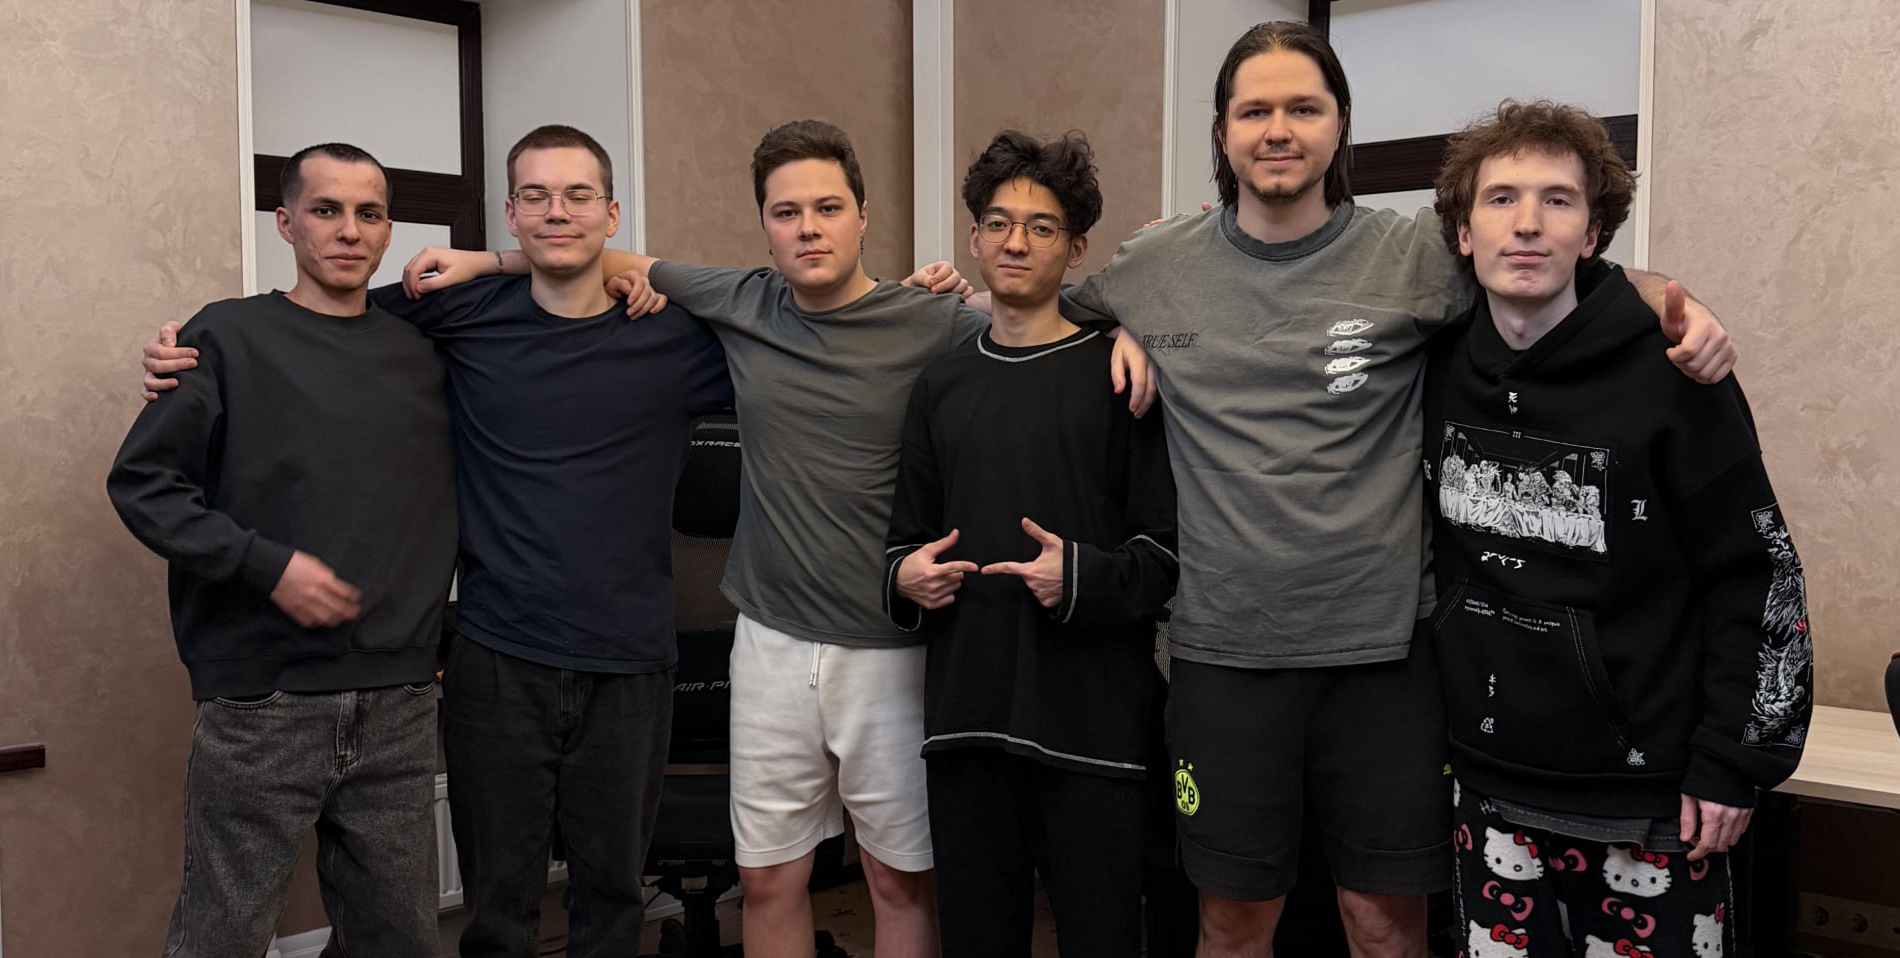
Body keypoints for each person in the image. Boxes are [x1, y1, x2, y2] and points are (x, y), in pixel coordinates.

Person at [905, 20, 1737, 958]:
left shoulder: (1414, 254)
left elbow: (1547, 273)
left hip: (1383, 662)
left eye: (1303, 108)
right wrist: (1042, 313)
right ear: (1222, 130)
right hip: (1221, 659)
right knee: (1230, 925)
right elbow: (1038, 305)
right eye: (1253, 110)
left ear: (1340, 123)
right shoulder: (1154, 265)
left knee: (1381, 926)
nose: (1278, 130)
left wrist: (1675, 301)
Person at [396, 117, 1153, 958]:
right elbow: (594, 255)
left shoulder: (929, 320)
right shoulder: (741, 302)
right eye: (786, 212)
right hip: (769, 642)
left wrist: (1126, 327)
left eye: (827, 208)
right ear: (764, 225)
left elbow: (1027, 304)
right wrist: (486, 261)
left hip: (890, 647)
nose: (808, 228)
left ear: (862, 216)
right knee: (766, 881)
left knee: (898, 882)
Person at [141, 125, 733, 958]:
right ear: (510, 211)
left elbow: (788, 308)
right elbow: (316, 319)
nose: (556, 212)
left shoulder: (669, 334)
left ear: (613, 213)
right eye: (535, 197)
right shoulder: (448, 316)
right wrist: (178, 357)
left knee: (597, 903)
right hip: (481, 661)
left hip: (605, 662)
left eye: (579, 196)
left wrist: (576, 265)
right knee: (490, 907)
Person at [1424, 98, 1808, 958]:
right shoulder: (1433, 364)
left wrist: (1735, 760)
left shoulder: (1676, 371)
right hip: (1487, 787)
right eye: (1501, 198)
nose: (1528, 223)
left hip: (1651, 802)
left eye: (1557, 200)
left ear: (1593, 233)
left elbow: (1758, 574)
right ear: (1463, 233)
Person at [108, 142, 457, 957]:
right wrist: (267, 567)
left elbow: (552, 285)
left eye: (369, 213)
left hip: (401, 700)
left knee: (400, 940)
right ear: (286, 222)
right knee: (222, 937)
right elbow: (144, 484)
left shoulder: (426, 352)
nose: (349, 230)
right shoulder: (225, 336)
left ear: (390, 230)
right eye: (326, 210)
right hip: (261, 701)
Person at [885, 130, 1179, 957]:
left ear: (1076, 247)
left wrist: (1077, 576)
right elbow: (901, 544)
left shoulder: (1120, 376)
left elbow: (1165, 557)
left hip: (1093, 725)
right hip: (966, 718)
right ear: (974, 238)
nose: (1015, 242)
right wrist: (906, 578)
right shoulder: (940, 385)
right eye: (998, 223)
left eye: (1041, 227)